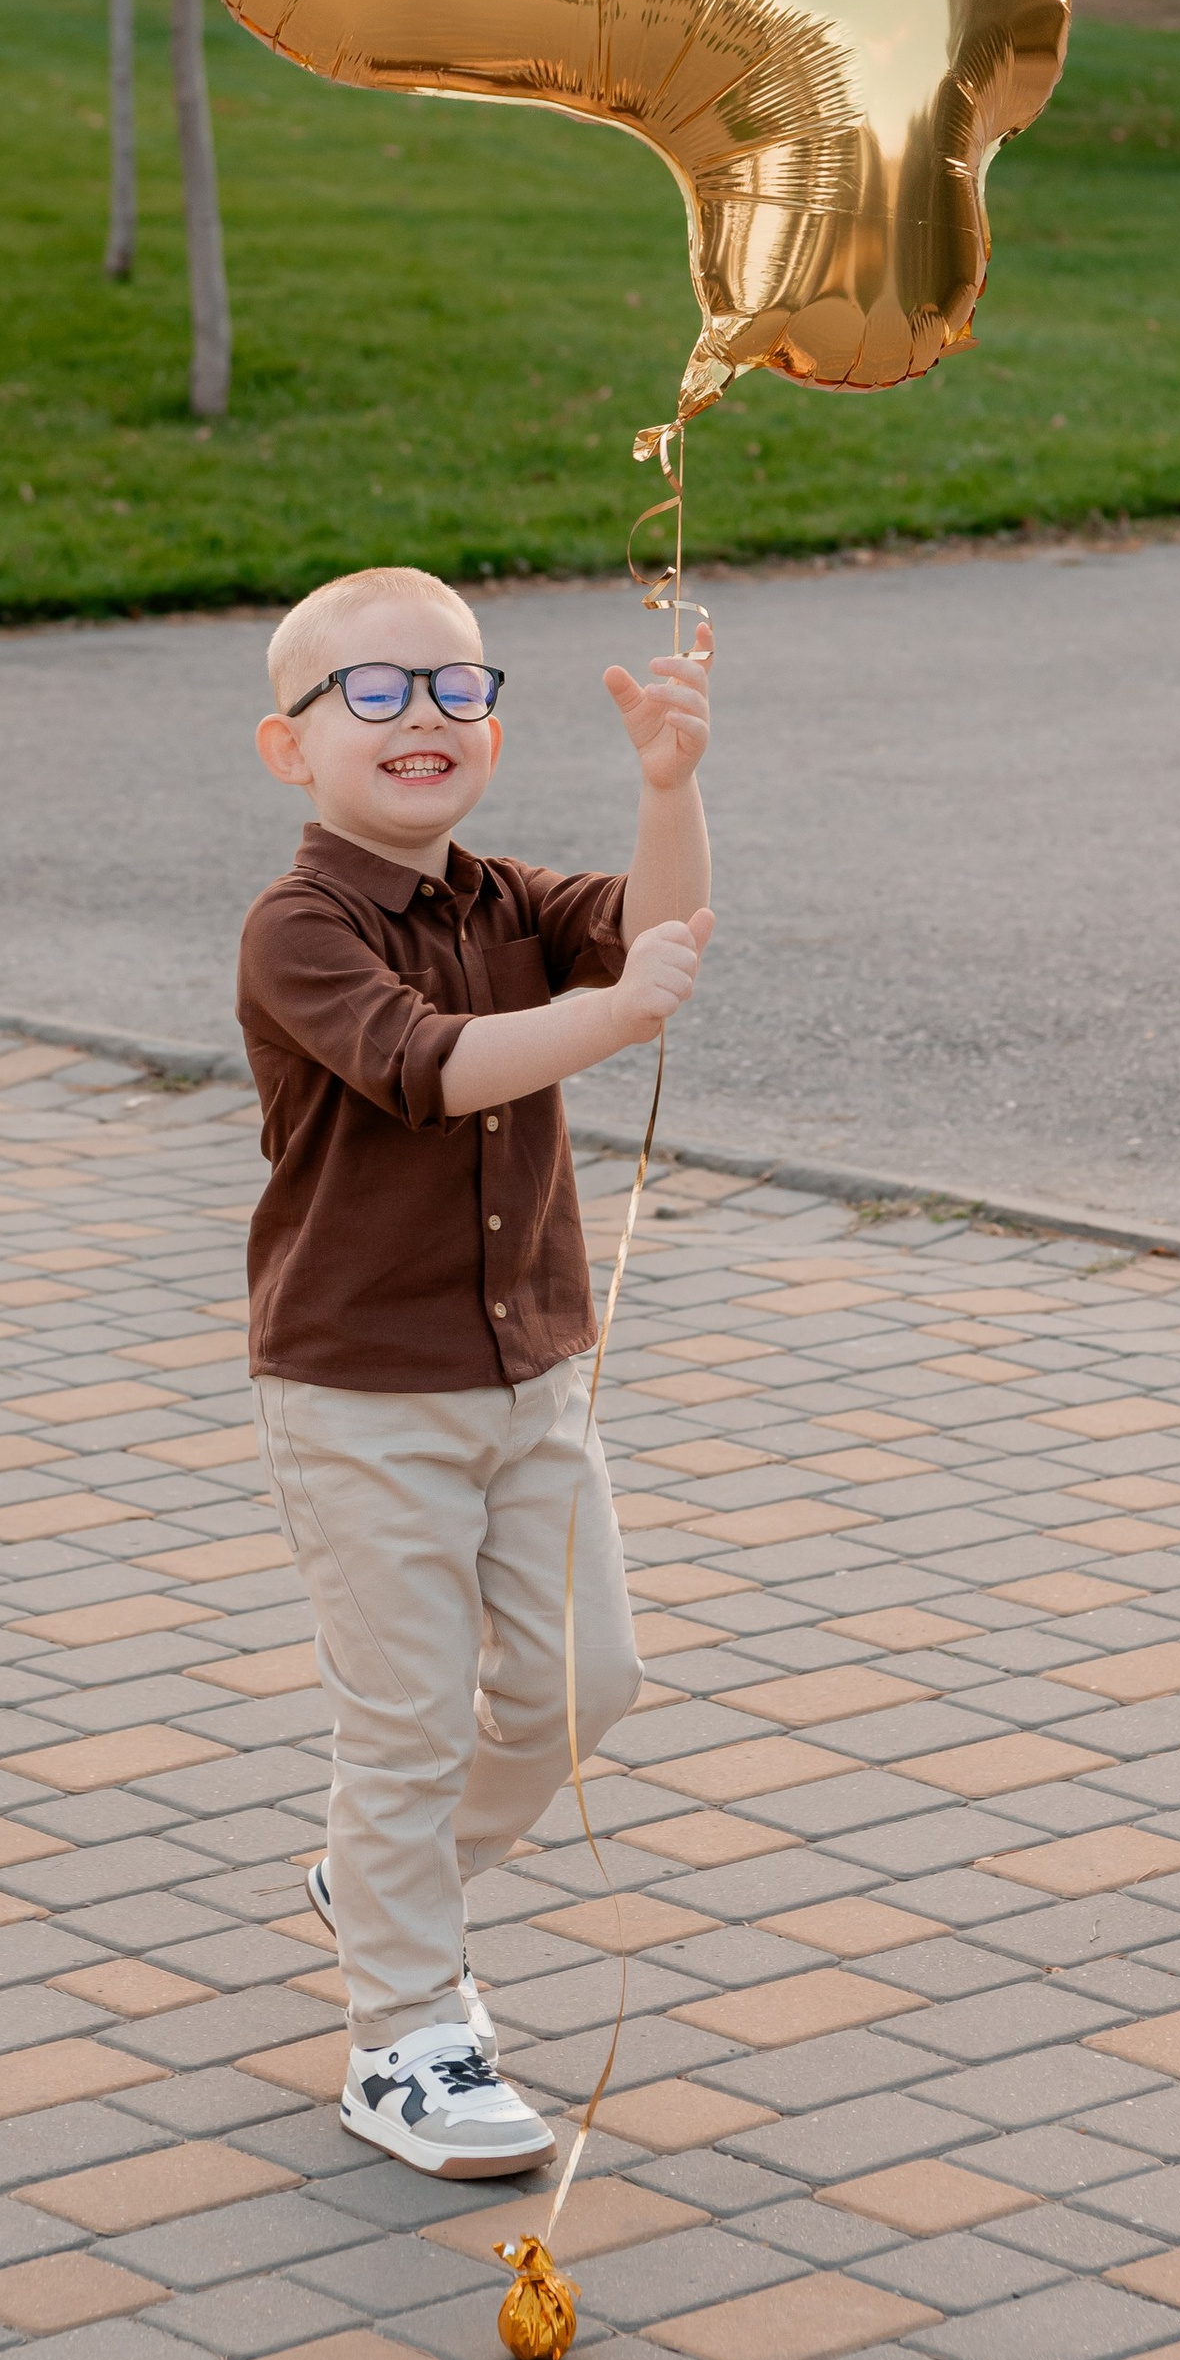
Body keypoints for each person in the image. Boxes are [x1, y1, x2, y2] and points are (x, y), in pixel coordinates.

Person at [238, 562, 713, 2176]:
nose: (423, 716)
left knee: (592, 1680)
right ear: (289, 749)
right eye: (372, 692)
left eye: (455, 685)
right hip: (363, 1395)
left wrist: (671, 791)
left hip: (533, 1374)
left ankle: (387, 1881)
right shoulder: (298, 927)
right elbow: (435, 1072)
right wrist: (612, 1022)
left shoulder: (506, 899)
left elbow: (657, 933)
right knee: (408, 1719)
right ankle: (405, 2039)